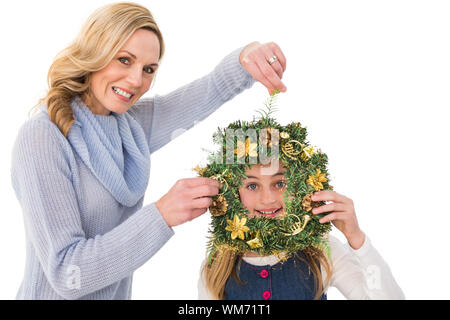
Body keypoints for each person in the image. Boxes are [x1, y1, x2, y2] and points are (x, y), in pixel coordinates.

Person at [10, 2, 287, 300]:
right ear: (95, 53)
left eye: (149, 69)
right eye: (124, 60)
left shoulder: (128, 127)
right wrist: (162, 214)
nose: (136, 81)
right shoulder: (42, 137)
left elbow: (212, 89)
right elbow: (67, 273)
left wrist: (246, 59)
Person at [196, 112, 405, 300]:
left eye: (279, 183)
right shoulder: (217, 265)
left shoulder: (322, 250)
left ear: (298, 184)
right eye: (252, 185)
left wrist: (357, 239)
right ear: (232, 193)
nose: (268, 198)